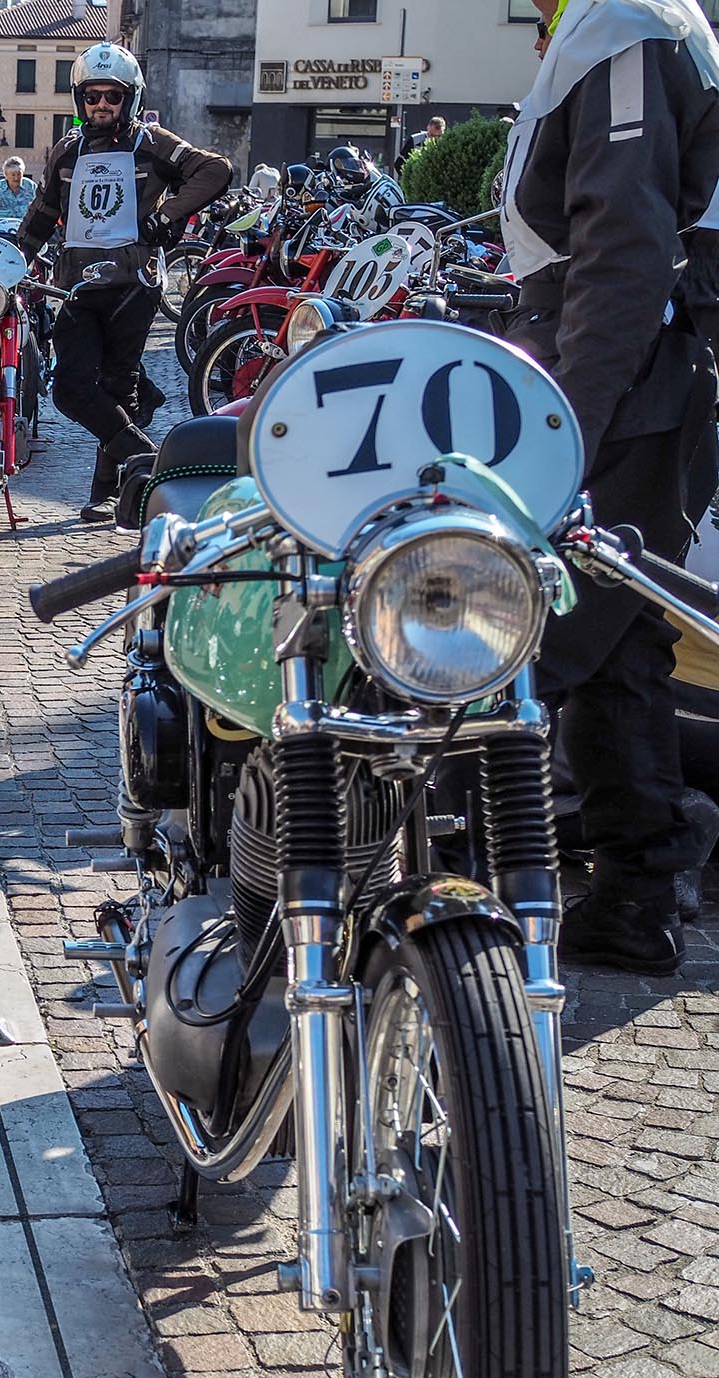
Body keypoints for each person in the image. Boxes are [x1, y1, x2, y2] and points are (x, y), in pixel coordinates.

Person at [498, 0, 719, 974]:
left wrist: (566, 429)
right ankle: (639, 886)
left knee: (525, 628)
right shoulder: (621, 22)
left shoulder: (623, 23)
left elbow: (626, 247)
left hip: (617, 370)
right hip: (628, 364)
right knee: (613, 638)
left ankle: (559, 877)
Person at [15, 43, 231, 522]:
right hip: (76, 284)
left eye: (112, 96)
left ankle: (107, 490)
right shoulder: (67, 150)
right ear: (80, 99)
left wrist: (166, 216)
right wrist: (11, 259)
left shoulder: (151, 143)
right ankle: (147, 456)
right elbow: (44, 211)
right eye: (92, 96)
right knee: (70, 388)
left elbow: (215, 169)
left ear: (130, 97)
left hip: (134, 283)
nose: (102, 105)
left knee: (117, 384)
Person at [326, 144, 405, 231]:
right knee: (346, 208)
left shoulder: (356, 183)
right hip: (343, 222)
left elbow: (357, 188)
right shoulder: (333, 186)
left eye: (354, 164)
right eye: (348, 164)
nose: (352, 167)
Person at [0, 156, 37, 228]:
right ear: (6, 175)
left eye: (19, 174)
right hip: (1, 228)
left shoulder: (31, 187)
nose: (16, 178)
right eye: (13, 175)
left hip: (25, 228)